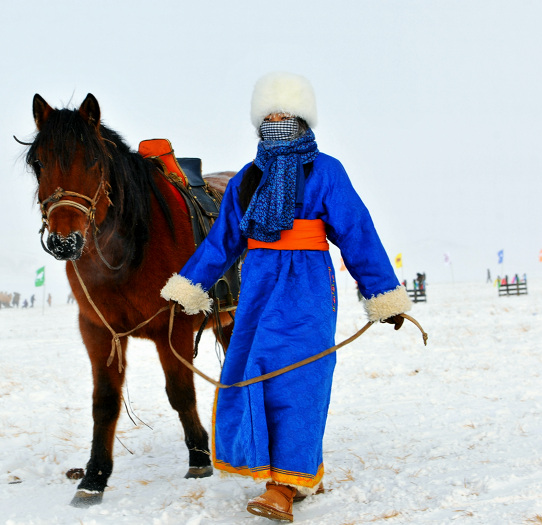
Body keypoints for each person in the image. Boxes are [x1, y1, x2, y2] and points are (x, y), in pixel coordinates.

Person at [160, 72, 411, 522]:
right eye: (269, 115)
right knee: (252, 372)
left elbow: (356, 231)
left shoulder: (327, 171)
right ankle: (281, 467)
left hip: (307, 288)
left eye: (286, 115)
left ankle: (284, 485)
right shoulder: (247, 179)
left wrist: (382, 293)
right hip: (257, 287)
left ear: (302, 119)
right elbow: (221, 241)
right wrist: (190, 286)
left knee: (299, 380)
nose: (277, 121)